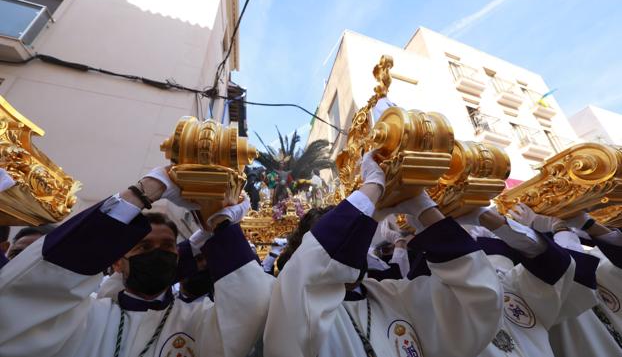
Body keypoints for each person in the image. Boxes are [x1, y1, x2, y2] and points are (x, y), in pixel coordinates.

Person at [0, 166, 273, 357]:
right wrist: (144, 192)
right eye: (144, 246)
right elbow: (29, 293)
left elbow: (251, 306)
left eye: (168, 246)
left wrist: (222, 228)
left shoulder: (197, 319)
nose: (158, 253)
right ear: (118, 263)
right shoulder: (82, 315)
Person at [263, 152, 503, 357]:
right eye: (344, 232)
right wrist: (372, 186)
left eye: (357, 237)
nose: (351, 246)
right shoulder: (289, 298)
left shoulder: (391, 294)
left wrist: (424, 209)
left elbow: (480, 302)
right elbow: (310, 269)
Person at [455, 205, 597, 357]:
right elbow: (575, 275)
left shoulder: (511, 285)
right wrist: (561, 230)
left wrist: (502, 228)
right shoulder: (513, 284)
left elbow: (565, 269)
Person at [508, 204, 622, 356]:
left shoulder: (594, 261)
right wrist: (559, 231)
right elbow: (570, 273)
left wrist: (587, 224)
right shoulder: (526, 283)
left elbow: (614, 258)